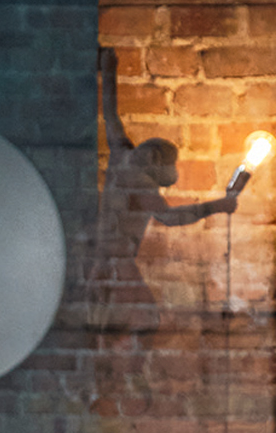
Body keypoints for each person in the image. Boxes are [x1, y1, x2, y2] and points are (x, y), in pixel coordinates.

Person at [86, 46, 240, 333]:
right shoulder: (138, 180)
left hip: (104, 262)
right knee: (144, 321)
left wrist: (108, 70)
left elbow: (110, 114)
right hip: (116, 266)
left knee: (123, 325)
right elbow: (170, 218)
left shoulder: (123, 158)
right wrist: (217, 206)